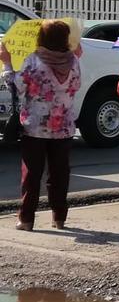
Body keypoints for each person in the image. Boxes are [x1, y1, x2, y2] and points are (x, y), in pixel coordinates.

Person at [0, 20, 81, 231]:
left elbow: (16, 85)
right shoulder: (73, 62)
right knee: (60, 174)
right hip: (63, 127)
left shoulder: (34, 61)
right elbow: (77, 85)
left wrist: (7, 63)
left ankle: (26, 219)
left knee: (32, 174)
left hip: (34, 126)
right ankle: (59, 218)